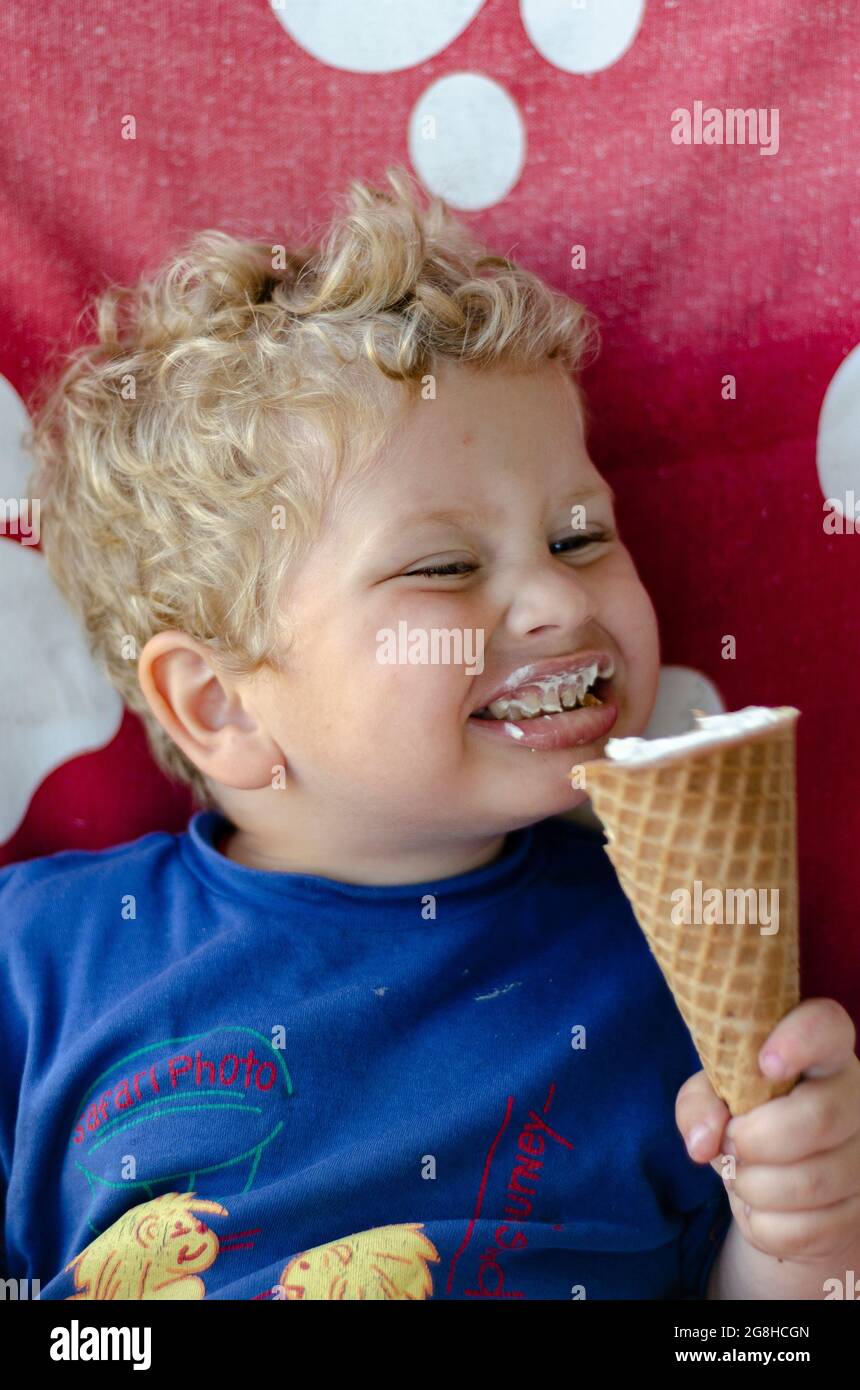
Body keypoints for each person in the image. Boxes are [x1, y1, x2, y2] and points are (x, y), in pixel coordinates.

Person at [2, 166, 856, 1300]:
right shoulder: (41, 957)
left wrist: (801, 1233)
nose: (557, 603)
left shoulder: (681, 950)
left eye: (580, 535)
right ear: (220, 704)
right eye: (444, 566)